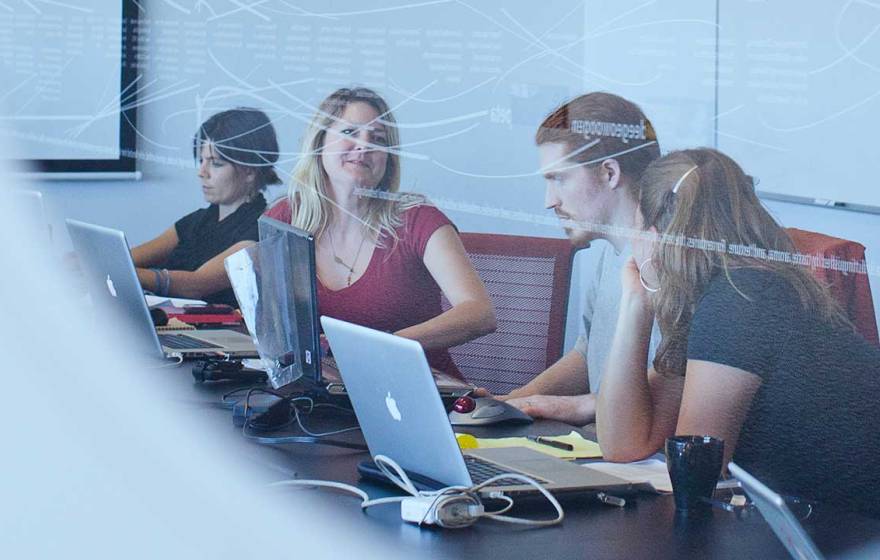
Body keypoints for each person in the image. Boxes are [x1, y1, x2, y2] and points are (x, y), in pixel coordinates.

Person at [596, 148, 880, 517]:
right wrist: (637, 302)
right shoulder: (732, 292)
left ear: (653, 236)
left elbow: (694, 477)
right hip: (828, 522)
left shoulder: (741, 301)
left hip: (855, 531)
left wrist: (645, 285)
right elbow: (624, 445)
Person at [265, 87, 495, 378]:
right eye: (350, 132)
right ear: (319, 142)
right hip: (324, 391)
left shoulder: (417, 219)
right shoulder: (285, 218)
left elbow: (480, 313)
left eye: (377, 139)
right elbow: (266, 319)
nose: (364, 146)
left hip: (415, 390)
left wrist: (383, 347)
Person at [494, 92, 662, 424]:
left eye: (559, 178)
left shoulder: (662, 262)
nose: (549, 201)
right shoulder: (611, 253)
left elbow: (668, 385)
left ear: (609, 173)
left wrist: (572, 405)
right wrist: (515, 402)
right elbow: (588, 354)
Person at [133, 107, 281, 307]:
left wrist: (118, 270)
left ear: (249, 171)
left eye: (216, 164)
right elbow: (130, 257)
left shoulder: (261, 232)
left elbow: (197, 285)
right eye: (201, 161)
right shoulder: (198, 220)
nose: (202, 172)